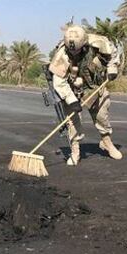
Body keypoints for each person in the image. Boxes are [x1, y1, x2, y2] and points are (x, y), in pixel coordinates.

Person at [49, 24, 123, 166]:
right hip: (71, 90)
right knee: (72, 122)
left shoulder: (98, 43)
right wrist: (71, 100)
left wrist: (112, 68)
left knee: (102, 115)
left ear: (84, 43)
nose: (74, 54)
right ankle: (75, 151)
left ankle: (106, 143)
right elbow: (59, 81)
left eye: (77, 51)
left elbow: (113, 54)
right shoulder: (62, 53)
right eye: (72, 52)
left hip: (94, 86)